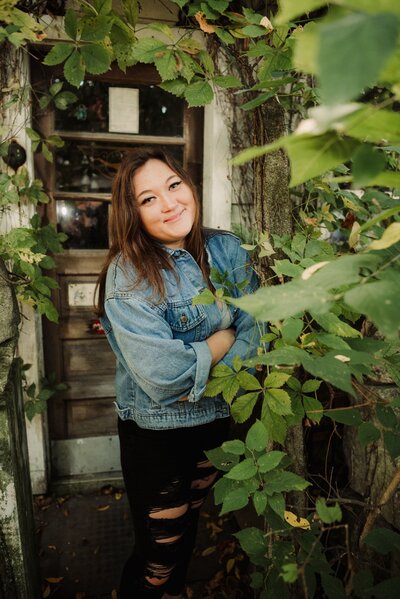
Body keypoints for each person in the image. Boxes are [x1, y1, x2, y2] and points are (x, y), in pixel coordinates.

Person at [96, 147, 261, 599]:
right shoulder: (128, 274)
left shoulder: (225, 248)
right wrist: (223, 338)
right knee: (158, 557)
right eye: (148, 199)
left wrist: (203, 354)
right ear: (132, 213)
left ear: (188, 185)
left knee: (188, 529)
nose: (169, 204)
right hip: (157, 437)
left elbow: (259, 326)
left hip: (214, 423)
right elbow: (163, 379)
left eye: (173, 186)